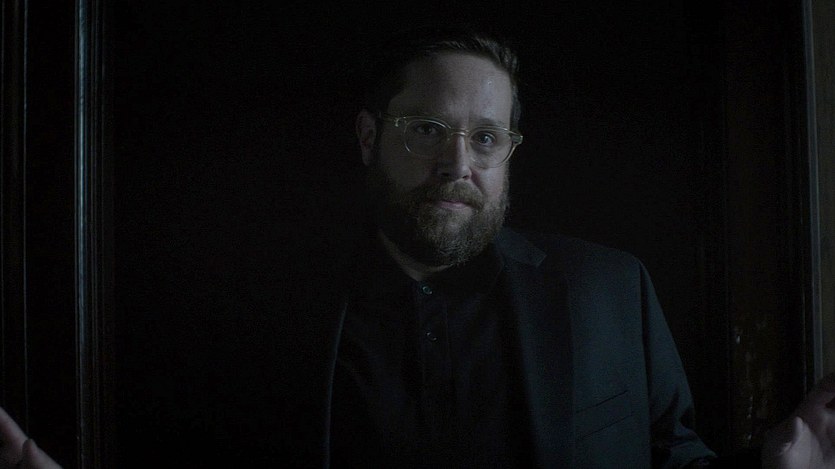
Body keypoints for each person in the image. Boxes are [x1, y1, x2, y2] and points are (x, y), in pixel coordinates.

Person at [2, 25, 834, 469]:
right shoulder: (256, 313)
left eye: (485, 138)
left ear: (508, 153)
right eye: (426, 129)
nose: (456, 164)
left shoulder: (611, 290)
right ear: (369, 137)